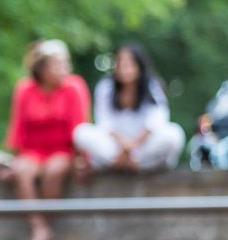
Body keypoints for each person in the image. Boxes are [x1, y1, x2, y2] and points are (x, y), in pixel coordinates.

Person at [0, 39, 91, 240]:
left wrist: (82, 160)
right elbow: (18, 129)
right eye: (57, 64)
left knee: (54, 171)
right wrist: (16, 160)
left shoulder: (74, 87)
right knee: (23, 172)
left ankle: (47, 222)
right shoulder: (25, 90)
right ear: (41, 68)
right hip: (33, 150)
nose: (63, 69)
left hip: (62, 149)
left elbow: (80, 127)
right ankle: (38, 226)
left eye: (65, 63)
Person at [73, 43, 185, 173]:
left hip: (143, 146)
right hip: (115, 146)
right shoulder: (105, 87)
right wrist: (124, 145)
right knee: (81, 132)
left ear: (140, 65)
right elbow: (104, 123)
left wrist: (134, 145)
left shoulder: (153, 86)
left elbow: (157, 122)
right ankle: (122, 162)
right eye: (121, 63)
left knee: (173, 134)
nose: (125, 68)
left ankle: (137, 164)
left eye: (130, 63)